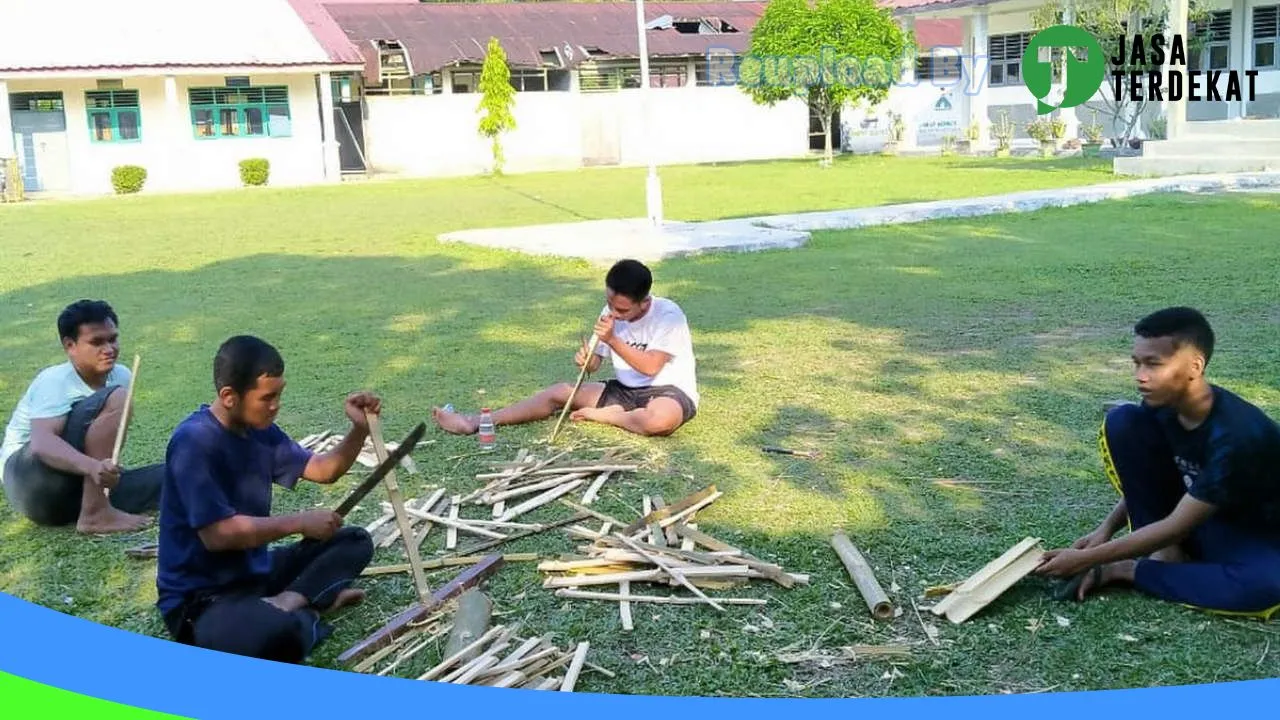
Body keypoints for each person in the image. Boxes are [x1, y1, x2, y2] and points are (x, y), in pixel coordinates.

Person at [1035, 307, 1280, 619]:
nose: (1140, 376)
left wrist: (1092, 560)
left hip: (1253, 533)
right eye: (1136, 363)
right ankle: (1167, 556)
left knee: (1266, 586)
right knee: (1124, 421)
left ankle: (1129, 571)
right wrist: (1105, 529)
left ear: (1195, 366)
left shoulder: (1237, 435)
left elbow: (1178, 524)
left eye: (1154, 364)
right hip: (1197, 515)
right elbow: (1147, 479)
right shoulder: (1163, 403)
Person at [155, 335, 379, 663]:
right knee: (275, 641)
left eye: (279, 394)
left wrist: (359, 430)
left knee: (356, 540)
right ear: (229, 396)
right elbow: (218, 535)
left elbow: (323, 470)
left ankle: (288, 602)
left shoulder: (260, 431)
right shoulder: (194, 443)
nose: (276, 405)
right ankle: (310, 610)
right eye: (267, 397)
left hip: (255, 576)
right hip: (201, 599)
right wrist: (300, 521)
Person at [433, 259, 700, 438]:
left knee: (658, 422)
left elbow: (651, 366)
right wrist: (586, 359)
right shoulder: (610, 312)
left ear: (643, 303)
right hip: (625, 391)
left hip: (667, 391)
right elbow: (594, 365)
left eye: (621, 309)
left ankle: (610, 417)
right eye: (609, 303)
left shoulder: (669, 315)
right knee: (559, 392)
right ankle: (474, 422)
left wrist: (613, 340)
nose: (613, 313)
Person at [1, 299, 160, 534]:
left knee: (173, 475)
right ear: (70, 345)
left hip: (74, 489)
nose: (109, 349)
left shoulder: (121, 375)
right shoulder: (54, 381)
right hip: (30, 485)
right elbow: (42, 443)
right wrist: (93, 467)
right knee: (117, 397)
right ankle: (96, 515)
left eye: (113, 339)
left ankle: (93, 505)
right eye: (96, 342)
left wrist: (100, 470)